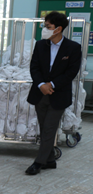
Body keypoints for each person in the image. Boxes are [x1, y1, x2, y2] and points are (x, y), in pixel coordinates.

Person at [25, 11, 82, 175]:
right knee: (44, 128)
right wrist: (41, 84)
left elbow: (71, 72)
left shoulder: (73, 48)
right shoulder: (40, 45)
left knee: (49, 128)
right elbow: (34, 67)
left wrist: (52, 84)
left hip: (59, 95)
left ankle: (38, 162)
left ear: (58, 29)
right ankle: (50, 160)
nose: (44, 29)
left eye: (48, 26)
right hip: (40, 93)